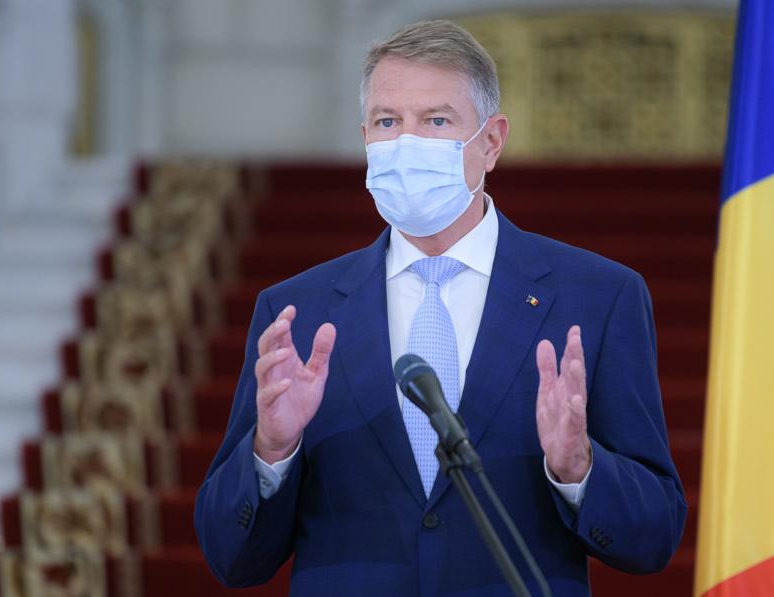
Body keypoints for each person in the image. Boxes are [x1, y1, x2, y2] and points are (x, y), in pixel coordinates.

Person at [195, 19, 686, 596]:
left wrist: (579, 468)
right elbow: (231, 558)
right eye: (387, 122)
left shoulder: (597, 297)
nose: (407, 143)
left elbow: (653, 536)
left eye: (435, 121)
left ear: (491, 142)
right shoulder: (296, 313)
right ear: (365, 138)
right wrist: (271, 451)